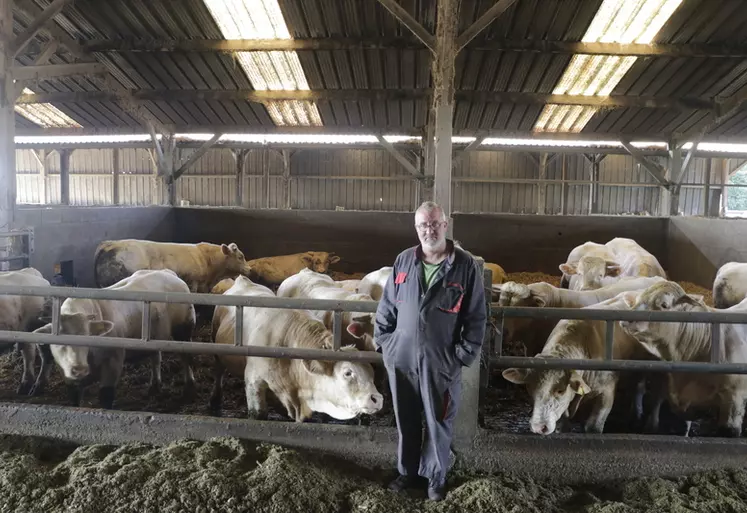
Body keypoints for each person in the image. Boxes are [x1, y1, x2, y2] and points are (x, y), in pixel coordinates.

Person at [374, 200, 487, 501]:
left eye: (435, 223)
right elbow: (386, 307)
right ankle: (407, 472)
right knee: (406, 418)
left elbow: (476, 316)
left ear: (446, 224)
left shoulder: (465, 265)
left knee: (439, 421)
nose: (429, 230)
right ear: (416, 228)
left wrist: (462, 355)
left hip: (441, 361)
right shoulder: (403, 261)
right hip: (402, 358)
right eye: (423, 225)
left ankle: (435, 478)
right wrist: (385, 343)